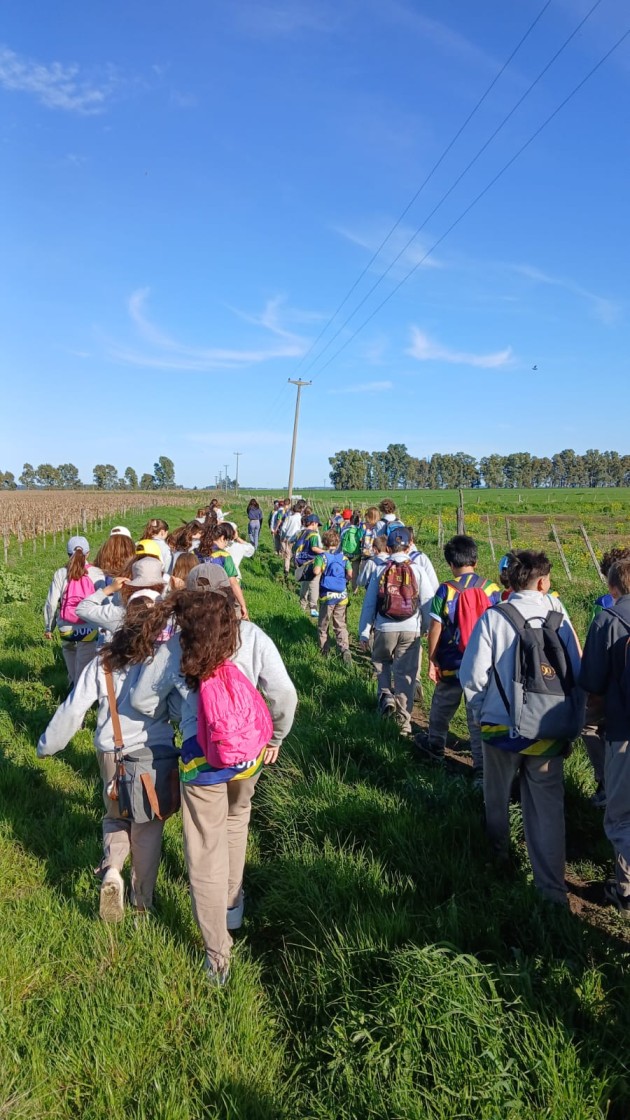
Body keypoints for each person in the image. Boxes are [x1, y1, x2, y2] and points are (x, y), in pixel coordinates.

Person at [130, 587, 297, 985]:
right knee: (237, 821)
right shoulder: (250, 635)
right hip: (248, 756)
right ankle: (232, 907)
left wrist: (174, 710)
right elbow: (284, 694)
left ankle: (217, 955)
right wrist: (275, 738)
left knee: (204, 850)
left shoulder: (175, 648)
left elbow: (141, 700)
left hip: (202, 761)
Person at [37, 604, 180, 921]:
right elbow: (180, 711)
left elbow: (73, 709)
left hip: (111, 754)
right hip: (153, 754)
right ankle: (142, 901)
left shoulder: (103, 662)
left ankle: (113, 868)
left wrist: (47, 745)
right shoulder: (162, 662)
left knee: (115, 816)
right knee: (148, 828)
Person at [460, 550, 584, 906]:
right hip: (549, 726)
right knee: (547, 807)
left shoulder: (494, 617)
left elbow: (473, 676)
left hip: (501, 729)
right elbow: (575, 670)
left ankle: (499, 860)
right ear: (543, 582)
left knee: (496, 797)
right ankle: (552, 889)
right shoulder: (559, 617)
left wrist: (485, 712)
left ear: (509, 582)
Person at [419, 535, 500, 781]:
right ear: (475, 559)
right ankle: (481, 769)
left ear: (451, 563)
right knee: (476, 718)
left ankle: (435, 747)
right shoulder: (492, 589)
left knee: (442, 708)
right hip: (484, 665)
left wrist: (433, 659)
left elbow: (436, 627)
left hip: (453, 662)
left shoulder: (446, 589)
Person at [580, 556, 630, 916]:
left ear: (613, 588)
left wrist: (584, 725)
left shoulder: (607, 619)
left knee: (621, 816)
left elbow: (593, 685)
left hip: (624, 730)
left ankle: (626, 889)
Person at [358, 527, 431, 737]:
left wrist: (364, 631)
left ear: (388, 548)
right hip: (411, 628)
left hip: (384, 627)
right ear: (409, 546)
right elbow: (427, 602)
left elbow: (369, 603)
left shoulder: (381, 569)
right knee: (405, 674)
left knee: (381, 663)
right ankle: (404, 723)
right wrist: (425, 627)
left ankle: (385, 697)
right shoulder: (417, 570)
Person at [582, 548, 630, 808]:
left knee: (588, 724)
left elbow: (593, 677)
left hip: (616, 704)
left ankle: (605, 781)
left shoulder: (605, 611)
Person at [44, 536, 106, 685]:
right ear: (88, 553)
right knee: (86, 659)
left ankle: (72, 681)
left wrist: (49, 627)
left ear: (67, 554)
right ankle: (80, 689)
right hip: (89, 626)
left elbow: (51, 604)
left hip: (67, 626)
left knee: (69, 650)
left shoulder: (60, 573)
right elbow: (103, 601)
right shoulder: (96, 573)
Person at [76, 557, 168, 635]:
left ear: (131, 583)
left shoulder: (121, 614)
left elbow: (82, 609)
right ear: (162, 584)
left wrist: (109, 589)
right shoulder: (170, 612)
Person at [313, 530, 353, 665]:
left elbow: (316, 571)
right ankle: (344, 649)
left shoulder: (322, 557)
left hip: (327, 596)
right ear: (337, 542)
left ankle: (325, 651)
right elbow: (350, 575)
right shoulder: (344, 558)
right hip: (342, 596)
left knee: (323, 625)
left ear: (324, 542)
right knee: (340, 624)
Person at [197, 521, 249, 619]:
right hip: (219, 601)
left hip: (199, 599)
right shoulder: (224, 555)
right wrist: (243, 605)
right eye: (227, 541)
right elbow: (233, 582)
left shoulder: (196, 552)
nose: (226, 544)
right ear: (221, 538)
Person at [293, 513, 324, 616]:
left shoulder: (300, 533)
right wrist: (325, 552)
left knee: (304, 584)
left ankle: (302, 605)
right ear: (314, 523)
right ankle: (313, 608)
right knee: (314, 585)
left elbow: (292, 543)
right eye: (317, 525)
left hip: (301, 562)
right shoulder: (314, 534)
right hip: (311, 562)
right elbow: (314, 548)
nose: (317, 527)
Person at [278, 500, 305, 580]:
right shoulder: (302, 519)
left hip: (288, 539)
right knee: (297, 555)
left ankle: (286, 571)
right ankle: (298, 571)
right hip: (298, 539)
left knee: (287, 556)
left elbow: (283, 528)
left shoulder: (289, 518)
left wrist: (282, 537)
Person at [341, 513, 364, 593]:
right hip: (356, 554)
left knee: (344, 571)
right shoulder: (359, 531)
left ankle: (343, 588)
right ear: (358, 522)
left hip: (345, 554)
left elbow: (340, 541)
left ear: (350, 521)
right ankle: (355, 590)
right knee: (355, 573)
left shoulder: (344, 530)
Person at [359, 507, 380, 584]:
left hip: (367, 553)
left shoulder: (365, 526)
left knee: (365, 573)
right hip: (375, 553)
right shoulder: (379, 527)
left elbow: (360, 538)